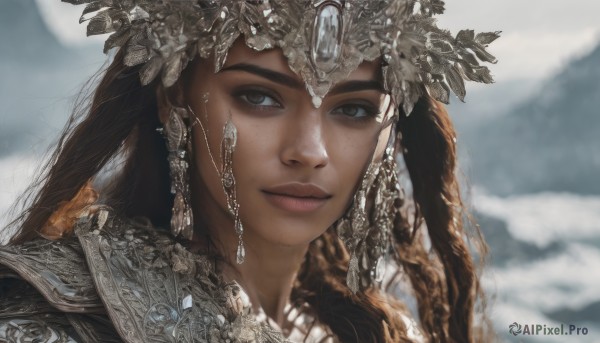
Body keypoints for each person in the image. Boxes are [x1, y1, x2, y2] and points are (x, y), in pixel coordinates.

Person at [0, 0, 499, 342]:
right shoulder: (50, 329)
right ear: (173, 97)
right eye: (259, 97)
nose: (310, 151)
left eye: (353, 109)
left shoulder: (380, 330)